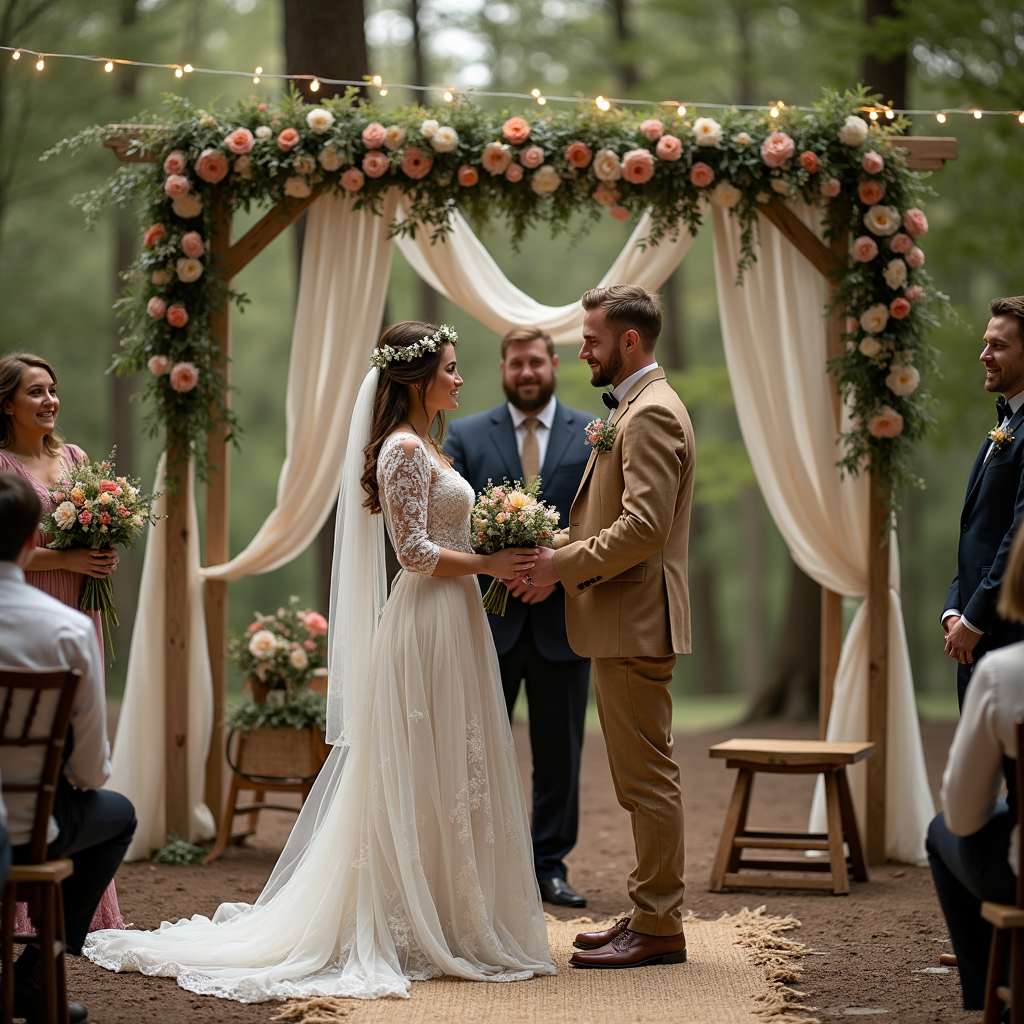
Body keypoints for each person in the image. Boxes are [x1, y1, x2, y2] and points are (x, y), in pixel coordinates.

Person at [83, 322, 555, 1001]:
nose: (459, 379)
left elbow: (446, 534)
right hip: (425, 622)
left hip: (461, 622)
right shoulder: (399, 449)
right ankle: (408, 918)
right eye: (450, 368)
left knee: (459, 762)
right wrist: (491, 562)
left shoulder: (433, 446)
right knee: (420, 763)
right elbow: (414, 553)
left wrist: (510, 538)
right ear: (417, 380)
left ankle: (456, 915)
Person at [525, 285, 693, 969]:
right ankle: (650, 907)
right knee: (638, 777)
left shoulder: (650, 414)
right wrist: (549, 542)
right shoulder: (635, 406)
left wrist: (560, 565)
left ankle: (658, 926)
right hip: (623, 620)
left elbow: (644, 529)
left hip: (632, 620)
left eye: (591, 339)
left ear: (629, 341)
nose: (581, 350)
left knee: (646, 779)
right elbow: (612, 518)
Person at [446, 326, 593, 908]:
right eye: (515, 364)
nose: (526, 372)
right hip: (491, 620)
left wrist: (554, 574)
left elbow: (597, 518)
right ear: (503, 368)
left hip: (563, 622)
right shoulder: (464, 434)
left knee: (561, 753)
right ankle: (483, 868)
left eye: (535, 362)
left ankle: (549, 867)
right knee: (480, 749)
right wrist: (506, 572)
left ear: (552, 364)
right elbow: (454, 521)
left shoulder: (591, 434)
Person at [0, 470, 137, 1024]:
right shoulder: (67, 631)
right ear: (35, 537)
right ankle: (35, 970)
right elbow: (90, 773)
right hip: (28, 823)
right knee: (117, 814)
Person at [0, 352, 125, 937]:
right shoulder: (1, 467)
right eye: (35, 393)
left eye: (53, 390)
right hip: (27, 600)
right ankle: (25, 908)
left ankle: (83, 905)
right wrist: (69, 556)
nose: (50, 401)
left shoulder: (73, 458)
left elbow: (94, 527)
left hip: (77, 607)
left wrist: (101, 551)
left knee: (69, 734)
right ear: (7, 404)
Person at [927, 522, 1024, 1011]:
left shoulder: (1005, 674)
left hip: (1019, 872)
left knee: (941, 832)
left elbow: (964, 816)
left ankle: (997, 989)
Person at [942, 298, 1024, 709]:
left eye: (998, 346)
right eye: (985, 343)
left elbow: (1021, 534)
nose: (984, 355)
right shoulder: (1006, 423)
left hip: (1009, 632)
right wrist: (954, 610)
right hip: (974, 638)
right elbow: (975, 529)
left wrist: (976, 618)